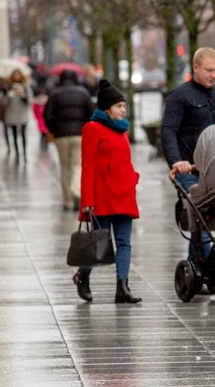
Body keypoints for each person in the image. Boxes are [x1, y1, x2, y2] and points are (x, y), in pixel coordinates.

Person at [161, 47, 215, 287]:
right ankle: (207, 269)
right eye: (209, 70)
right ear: (195, 68)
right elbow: (168, 130)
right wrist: (176, 162)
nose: (213, 74)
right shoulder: (180, 96)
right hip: (190, 169)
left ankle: (199, 272)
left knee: (204, 220)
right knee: (201, 215)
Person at [74, 79, 142, 304]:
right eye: (119, 106)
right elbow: (88, 166)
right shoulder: (92, 128)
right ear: (106, 109)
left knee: (124, 242)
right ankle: (83, 276)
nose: (123, 109)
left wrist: (133, 178)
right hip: (102, 197)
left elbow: (124, 160)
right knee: (98, 244)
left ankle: (122, 287)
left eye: (124, 105)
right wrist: (87, 200)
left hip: (123, 195)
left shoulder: (122, 129)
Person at [44, 69, 95, 211]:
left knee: (64, 167)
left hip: (60, 136)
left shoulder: (55, 94)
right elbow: (91, 113)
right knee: (76, 166)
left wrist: (54, 130)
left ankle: (67, 200)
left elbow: (47, 114)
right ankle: (76, 190)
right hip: (79, 134)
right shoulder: (83, 92)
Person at [0, 68, 32, 162]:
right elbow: (3, 102)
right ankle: (17, 153)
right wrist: (10, 95)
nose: (16, 77)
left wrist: (22, 95)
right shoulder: (8, 86)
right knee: (13, 134)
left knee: (23, 134)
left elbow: (30, 100)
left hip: (22, 113)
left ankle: (24, 153)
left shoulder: (25, 86)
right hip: (11, 113)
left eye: (18, 75)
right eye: (15, 75)